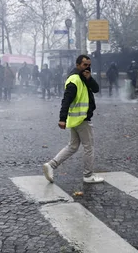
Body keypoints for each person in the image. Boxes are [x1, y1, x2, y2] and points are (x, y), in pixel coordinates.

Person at [42, 54, 103, 184]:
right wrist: (62, 118)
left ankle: (51, 165)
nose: (87, 67)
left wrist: (89, 78)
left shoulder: (83, 77)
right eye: (84, 65)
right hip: (82, 119)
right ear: (77, 65)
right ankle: (88, 175)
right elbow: (66, 100)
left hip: (77, 119)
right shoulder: (75, 80)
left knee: (73, 146)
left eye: (89, 65)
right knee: (89, 147)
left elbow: (96, 89)